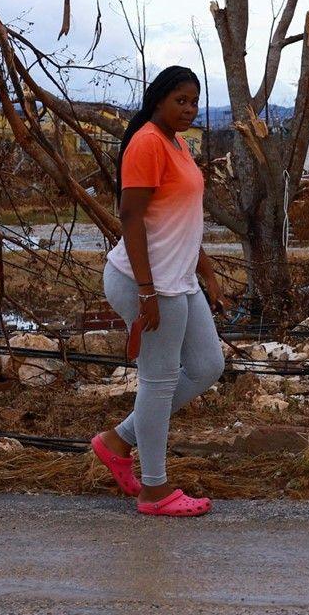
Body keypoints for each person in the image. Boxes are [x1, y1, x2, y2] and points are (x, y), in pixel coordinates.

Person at [89, 66, 227, 517]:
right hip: (146, 281)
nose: (188, 109)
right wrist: (147, 291)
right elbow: (130, 217)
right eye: (180, 101)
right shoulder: (147, 142)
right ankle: (154, 491)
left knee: (207, 365)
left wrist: (207, 271)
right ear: (158, 100)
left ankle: (117, 440)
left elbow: (180, 219)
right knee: (159, 381)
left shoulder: (177, 143)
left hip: (177, 279)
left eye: (193, 101)